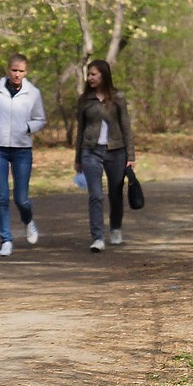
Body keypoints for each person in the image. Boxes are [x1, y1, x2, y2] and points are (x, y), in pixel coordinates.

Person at [0, 53, 47, 257]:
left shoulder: (32, 93)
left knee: (21, 198)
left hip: (22, 150)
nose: (17, 74)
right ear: (8, 70)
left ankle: (28, 221)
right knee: (1, 197)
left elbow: (40, 119)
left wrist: (26, 127)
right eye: (14, 70)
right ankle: (6, 240)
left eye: (21, 71)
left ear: (26, 71)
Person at [74, 59, 135, 253]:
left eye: (94, 74)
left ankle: (115, 228)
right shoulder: (84, 100)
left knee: (115, 194)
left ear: (104, 75)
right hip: (90, 151)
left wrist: (130, 155)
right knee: (96, 195)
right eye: (89, 74)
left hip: (116, 151)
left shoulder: (118, 98)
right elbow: (80, 130)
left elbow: (126, 127)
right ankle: (97, 237)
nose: (90, 77)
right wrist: (77, 158)